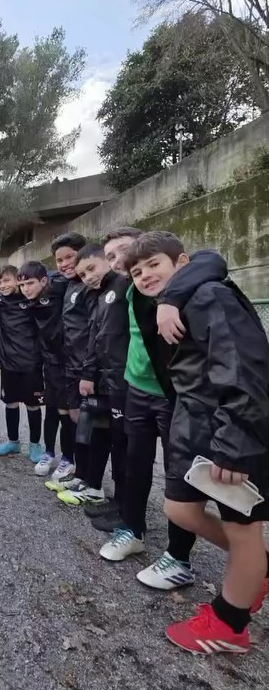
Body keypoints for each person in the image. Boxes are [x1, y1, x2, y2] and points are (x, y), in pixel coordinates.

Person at [126, 231, 269, 655]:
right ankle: (258, 567)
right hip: (197, 425)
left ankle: (229, 624)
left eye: (154, 264)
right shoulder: (175, 301)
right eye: (137, 271)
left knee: (243, 529)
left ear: (182, 263)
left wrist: (235, 443)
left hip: (231, 429)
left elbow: (244, 369)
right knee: (180, 510)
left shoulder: (209, 296)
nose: (145, 275)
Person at [96, 228, 200, 591]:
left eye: (125, 252)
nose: (121, 262)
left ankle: (179, 557)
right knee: (134, 464)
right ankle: (132, 529)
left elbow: (208, 262)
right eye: (113, 257)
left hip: (173, 395)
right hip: (135, 390)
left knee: (178, 474)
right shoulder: (127, 288)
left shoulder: (182, 288)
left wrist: (171, 301)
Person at [57, 244, 128, 509]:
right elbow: (96, 338)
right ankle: (91, 483)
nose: (88, 277)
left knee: (121, 442)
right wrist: (88, 372)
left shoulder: (122, 287)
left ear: (106, 261)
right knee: (97, 430)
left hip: (121, 378)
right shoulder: (97, 294)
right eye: (83, 273)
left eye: (91, 269)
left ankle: (123, 504)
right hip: (99, 375)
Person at [46, 232, 95, 496]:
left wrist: (89, 369)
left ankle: (89, 480)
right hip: (71, 365)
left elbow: (96, 331)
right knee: (76, 419)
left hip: (88, 368)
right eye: (59, 260)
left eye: (70, 258)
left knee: (90, 425)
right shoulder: (68, 285)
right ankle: (80, 473)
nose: (65, 264)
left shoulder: (90, 286)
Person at [17, 262, 75, 481]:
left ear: (43, 281)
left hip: (66, 361)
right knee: (50, 409)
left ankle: (68, 458)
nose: (26, 289)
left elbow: (66, 279)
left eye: (30, 283)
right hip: (48, 361)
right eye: (22, 285)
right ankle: (49, 453)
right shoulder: (30, 300)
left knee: (65, 411)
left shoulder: (59, 290)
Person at [0, 264, 44, 460]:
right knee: (10, 403)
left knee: (33, 405)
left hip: (31, 364)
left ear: (18, 280)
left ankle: (35, 445)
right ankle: (13, 442)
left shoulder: (31, 300)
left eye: (7, 280)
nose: (2, 285)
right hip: (8, 364)